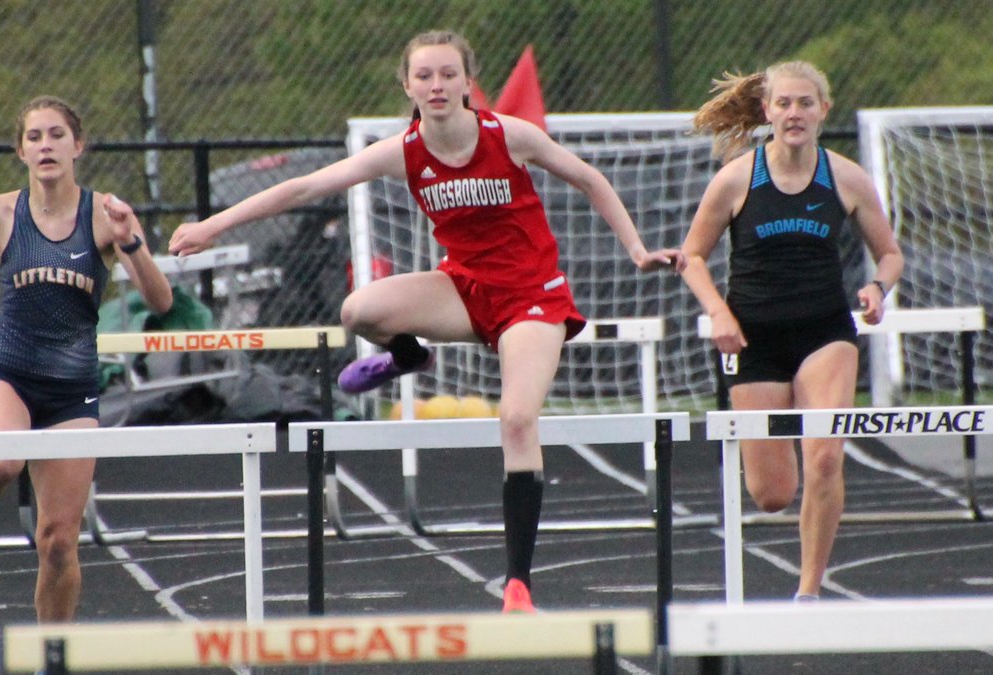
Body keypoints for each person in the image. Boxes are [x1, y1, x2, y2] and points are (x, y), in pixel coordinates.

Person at [169, 30, 683, 613]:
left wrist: (637, 250)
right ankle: (410, 356)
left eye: (447, 74)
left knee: (516, 418)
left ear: (468, 81)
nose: (436, 85)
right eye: (424, 76)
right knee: (357, 310)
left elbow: (590, 179)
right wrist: (213, 226)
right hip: (462, 290)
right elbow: (305, 185)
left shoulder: (509, 136)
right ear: (407, 85)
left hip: (529, 297)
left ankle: (518, 585)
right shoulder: (403, 150)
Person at [0, 95, 173, 622]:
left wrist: (131, 241)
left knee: (59, 541)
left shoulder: (105, 215)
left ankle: (51, 654)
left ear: (78, 146)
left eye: (57, 135)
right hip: (5, 372)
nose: (46, 146)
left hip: (71, 388)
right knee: (0, 461)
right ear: (21, 151)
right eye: (35, 136)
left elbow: (161, 303)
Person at [679, 62, 904, 601]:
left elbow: (891, 253)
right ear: (767, 111)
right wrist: (718, 312)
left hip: (825, 333)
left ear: (824, 110)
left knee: (825, 455)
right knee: (772, 493)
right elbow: (690, 256)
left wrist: (877, 288)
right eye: (784, 104)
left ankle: (808, 593)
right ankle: (792, 521)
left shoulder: (845, 176)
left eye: (806, 103)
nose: (795, 113)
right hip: (753, 339)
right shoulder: (737, 177)